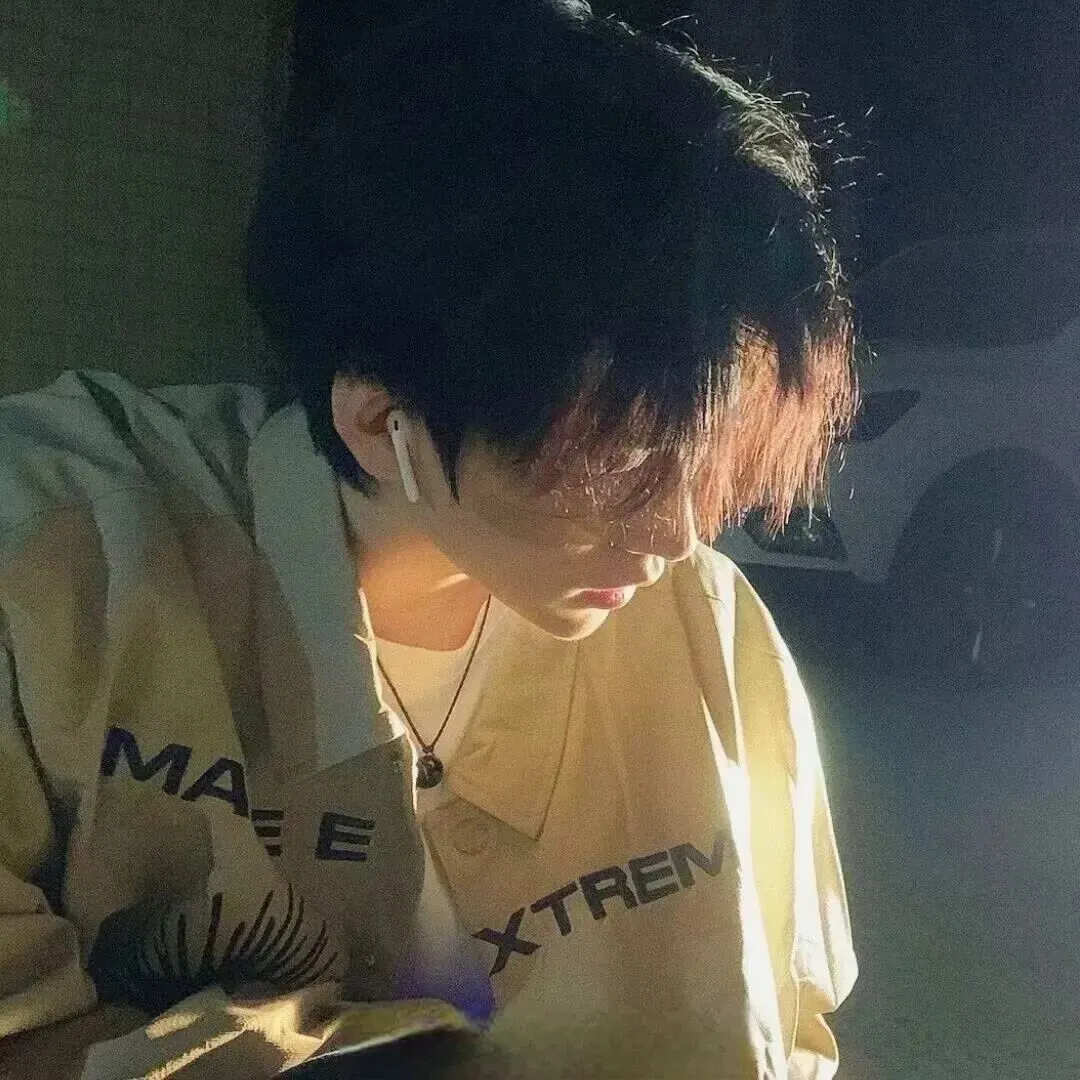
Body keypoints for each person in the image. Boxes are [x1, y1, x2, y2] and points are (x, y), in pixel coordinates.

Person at [0, 1, 860, 1076]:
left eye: (713, 463)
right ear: (380, 421)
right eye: (619, 467)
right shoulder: (60, 564)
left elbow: (795, 1027)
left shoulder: (711, 632)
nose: (678, 536)